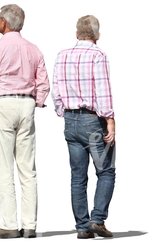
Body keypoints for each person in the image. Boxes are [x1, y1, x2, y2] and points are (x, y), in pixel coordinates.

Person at [0, 4, 50, 239]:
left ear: (4, 23)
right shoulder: (34, 49)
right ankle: (29, 225)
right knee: (28, 168)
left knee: (3, 166)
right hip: (26, 104)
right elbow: (43, 83)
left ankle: (8, 223)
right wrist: (37, 101)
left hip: (4, 103)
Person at [52, 15, 116, 239]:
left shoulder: (62, 56)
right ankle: (97, 220)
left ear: (77, 34)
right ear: (97, 36)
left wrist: (63, 112)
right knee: (106, 171)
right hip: (92, 121)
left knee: (77, 176)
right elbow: (103, 90)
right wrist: (110, 120)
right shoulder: (98, 55)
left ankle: (82, 226)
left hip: (70, 121)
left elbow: (56, 90)